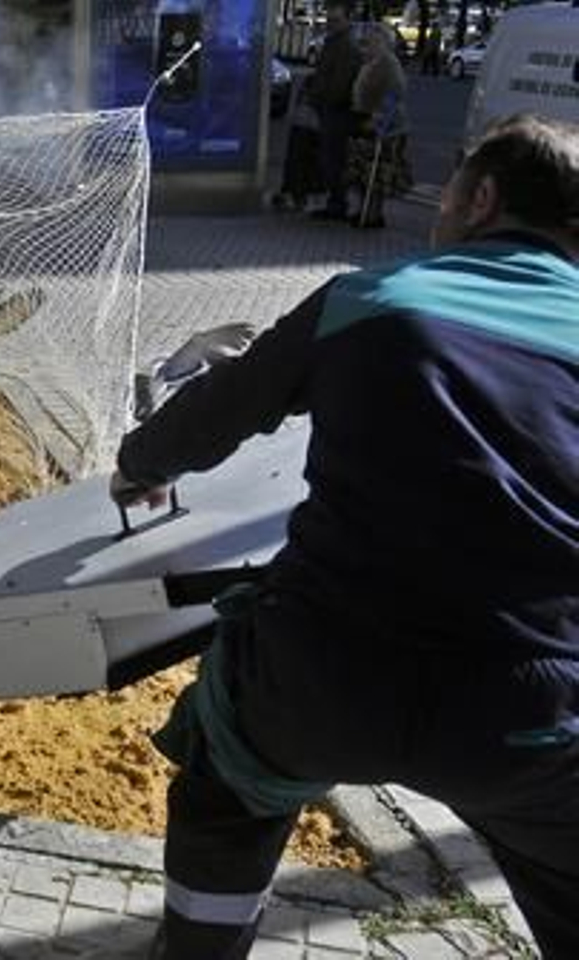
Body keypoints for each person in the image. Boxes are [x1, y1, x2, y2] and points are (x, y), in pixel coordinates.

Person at [111, 114, 579, 959]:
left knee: (228, 776)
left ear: (481, 198)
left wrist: (140, 465)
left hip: (321, 677)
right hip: (526, 711)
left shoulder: (367, 298)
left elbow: (214, 415)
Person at [346, 24, 413, 229]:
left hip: (385, 126)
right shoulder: (370, 62)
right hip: (364, 121)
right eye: (366, 41)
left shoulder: (388, 63)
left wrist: (379, 118)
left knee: (377, 175)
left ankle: (373, 214)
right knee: (362, 174)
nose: (367, 46)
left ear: (384, 43)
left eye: (373, 41)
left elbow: (396, 93)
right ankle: (363, 210)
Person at [304, 2, 362, 221]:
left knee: (334, 158)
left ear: (347, 19)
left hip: (336, 111)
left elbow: (341, 83)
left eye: (335, 20)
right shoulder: (335, 42)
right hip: (330, 108)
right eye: (329, 20)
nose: (330, 24)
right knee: (329, 157)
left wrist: (323, 100)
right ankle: (335, 201)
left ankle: (337, 203)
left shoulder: (346, 45)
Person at [270, 73, 324, 213]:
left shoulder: (314, 78)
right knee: (304, 160)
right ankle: (298, 196)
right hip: (311, 122)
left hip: (304, 122)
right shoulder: (315, 78)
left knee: (298, 159)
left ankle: (295, 195)